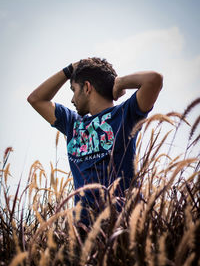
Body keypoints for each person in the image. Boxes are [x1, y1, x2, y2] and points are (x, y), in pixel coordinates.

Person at [27, 57, 163, 228]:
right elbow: (35, 99)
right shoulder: (73, 124)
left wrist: (119, 83)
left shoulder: (125, 114)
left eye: (73, 89)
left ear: (87, 87)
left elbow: (154, 79)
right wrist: (69, 70)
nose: (72, 99)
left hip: (122, 226)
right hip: (84, 231)